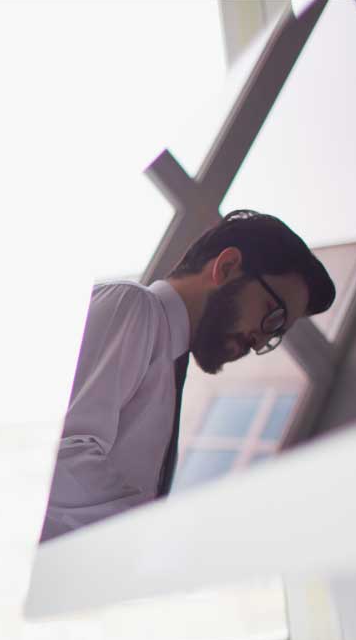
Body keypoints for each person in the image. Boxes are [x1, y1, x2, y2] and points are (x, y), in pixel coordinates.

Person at [40, 209, 334, 541]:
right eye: (273, 316)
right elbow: (55, 451)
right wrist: (152, 540)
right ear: (225, 267)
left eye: (278, 334)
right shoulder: (135, 307)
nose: (261, 340)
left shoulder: (168, 363)